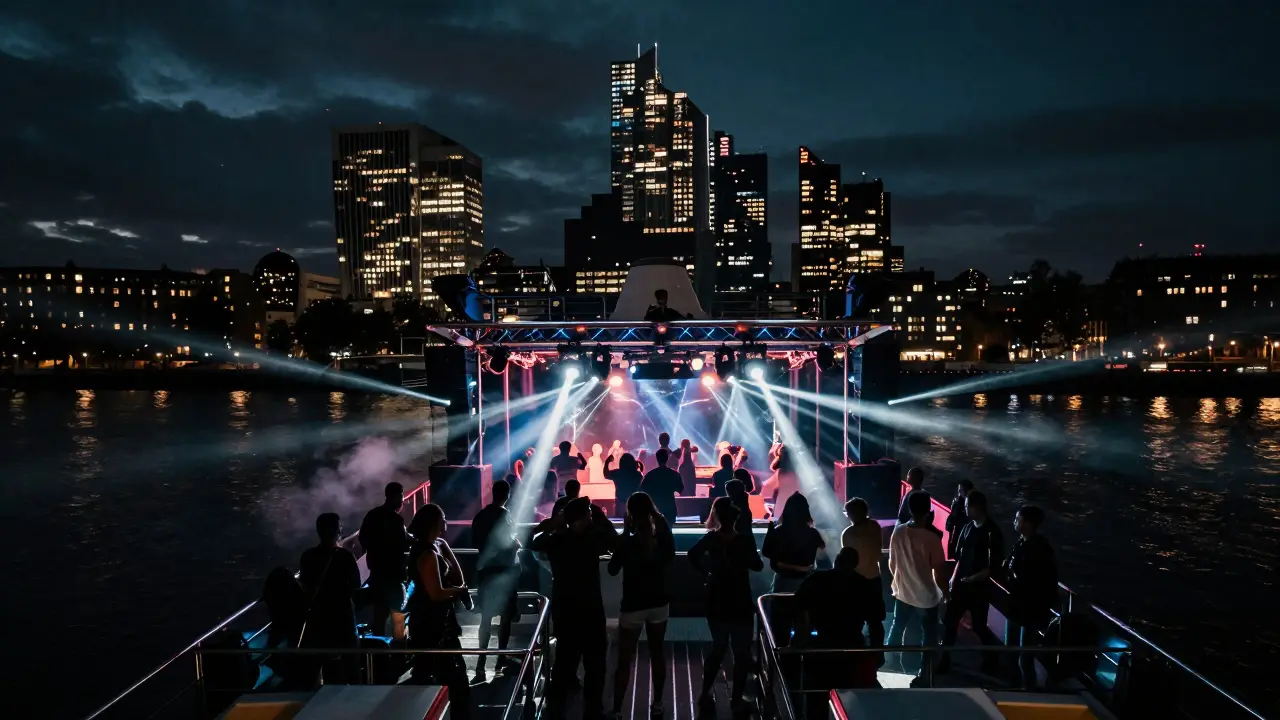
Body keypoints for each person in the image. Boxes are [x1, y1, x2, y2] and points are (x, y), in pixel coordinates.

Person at [531, 498, 618, 719]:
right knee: (595, 668)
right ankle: (593, 712)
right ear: (583, 518)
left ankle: (554, 712)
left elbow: (532, 540)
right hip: (591, 613)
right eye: (588, 513)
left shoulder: (557, 541)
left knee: (563, 667)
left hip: (566, 612)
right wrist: (600, 517)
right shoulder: (592, 540)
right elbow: (614, 541)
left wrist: (553, 523)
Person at [689, 498, 763, 712]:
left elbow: (693, 555)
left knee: (718, 647)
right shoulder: (744, 540)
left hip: (718, 598)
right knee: (741, 652)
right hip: (740, 599)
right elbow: (757, 566)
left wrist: (707, 573)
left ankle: (705, 693)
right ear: (736, 519)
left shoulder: (711, 538)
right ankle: (736, 699)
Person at [793, 547, 886, 716]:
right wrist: (877, 652)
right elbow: (876, 621)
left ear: (836, 560)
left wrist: (798, 641)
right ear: (856, 564)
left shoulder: (817, 579)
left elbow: (798, 608)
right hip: (852, 647)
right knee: (849, 698)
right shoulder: (863, 584)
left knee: (816, 696)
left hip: (821, 646)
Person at [607, 493, 676, 719]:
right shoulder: (660, 538)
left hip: (633, 604)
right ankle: (658, 703)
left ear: (630, 514)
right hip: (658, 601)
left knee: (624, 659)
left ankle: (617, 709)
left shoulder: (628, 542)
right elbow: (670, 556)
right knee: (658, 653)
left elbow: (612, 569)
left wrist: (624, 533)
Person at [406, 504, 472, 715]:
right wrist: (459, 591)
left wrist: (445, 548)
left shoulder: (438, 545)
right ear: (433, 522)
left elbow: (458, 577)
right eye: (442, 517)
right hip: (430, 622)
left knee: (453, 671)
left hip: (443, 620)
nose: (446, 521)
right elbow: (436, 593)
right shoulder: (425, 553)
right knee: (436, 672)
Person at [938, 490, 1004, 675]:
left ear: (978, 507)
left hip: (979, 588)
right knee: (950, 622)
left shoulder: (992, 532)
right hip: (961, 584)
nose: (965, 509)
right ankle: (945, 660)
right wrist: (954, 578)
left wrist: (974, 578)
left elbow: (993, 565)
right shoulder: (967, 528)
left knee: (979, 625)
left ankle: (991, 656)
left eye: (967, 506)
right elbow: (960, 557)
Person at [886, 491, 949, 680]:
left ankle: (889, 662)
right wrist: (946, 593)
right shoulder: (931, 539)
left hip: (903, 592)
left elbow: (891, 563)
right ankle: (925, 671)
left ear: (909, 509)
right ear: (929, 510)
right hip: (926, 597)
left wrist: (899, 581)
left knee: (897, 626)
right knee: (928, 634)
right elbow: (939, 571)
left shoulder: (898, 532)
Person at [298, 513, 361, 685]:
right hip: (343, 617)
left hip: (319, 618)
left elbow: (304, 585)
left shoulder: (308, 557)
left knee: (320, 661)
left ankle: (321, 691)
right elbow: (355, 586)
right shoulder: (345, 557)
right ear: (338, 531)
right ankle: (355, 692)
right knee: (351, 661)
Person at [470, 480, 522, 683]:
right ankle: (500, 661)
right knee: (505, 619)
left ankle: (481, 664)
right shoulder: (506, 517)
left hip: (486, 573)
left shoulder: (481, 516)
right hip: (504, 573)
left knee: (485, 619)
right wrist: (515, 545)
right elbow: (508, 544)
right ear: (507, 495)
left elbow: (476, 542)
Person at [1003, 505, 1058, 689]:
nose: (1014, 521)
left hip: (1029, 610)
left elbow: (1039, 581)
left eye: (1018, 519)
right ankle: (1013, 685)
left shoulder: (1039, 550)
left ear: (1028, 523)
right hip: (1016, 606)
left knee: (1025, 656)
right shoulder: (1021, 543)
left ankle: (1028, 689)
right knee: (1011, 650)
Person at [761, 492, 826, 645]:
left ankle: (781, 654)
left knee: (779, 625)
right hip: (805, 584)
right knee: (803, 625)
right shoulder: (812, 533)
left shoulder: (778, 532)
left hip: (783, 583)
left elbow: (766, 552)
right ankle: (799, 653)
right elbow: (822, 548)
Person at [358, 481, 410, 638]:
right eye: (401, 495)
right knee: (398, 617)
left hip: (377, 574)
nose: (402, 500)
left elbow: (362, 538)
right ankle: (398, 647)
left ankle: (378, 647)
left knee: (379, 615)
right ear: (395, 496)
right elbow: (403, 543)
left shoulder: (372, 515)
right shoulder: (396, 520)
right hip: (394, 575)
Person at [841, 497, 882, 583]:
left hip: (855, 579)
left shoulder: (847, 533)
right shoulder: (874, 526)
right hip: (874, 575)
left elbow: (846, 560)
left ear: (851, 514)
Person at [640, 448, 684, 522]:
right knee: (669, 527)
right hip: (670, 509)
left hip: (655, 509)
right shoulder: (674, 474)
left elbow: (642, 491)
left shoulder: (650, 475)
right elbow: (681, 490)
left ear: (657, 459)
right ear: (667, 458)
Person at [946, 480, 974, 558]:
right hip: (957, 530)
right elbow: (952, 518)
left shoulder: (972, 503)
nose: (959, 492)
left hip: (966, 531)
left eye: (961, 490)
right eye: (959, 490)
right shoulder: (957, 502)